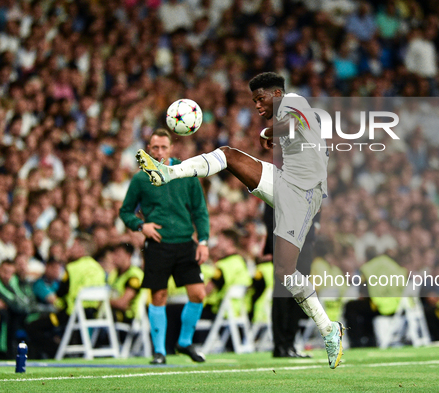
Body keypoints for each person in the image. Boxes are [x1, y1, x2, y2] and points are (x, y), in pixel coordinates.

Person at [136, 72, 344, 369]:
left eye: (261, 99)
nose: (257, 106)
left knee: (286, 273)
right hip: (284, 181)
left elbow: (290, 124)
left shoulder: (294, 101)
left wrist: (268, 133)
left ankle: (328, 329)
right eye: (253, 101)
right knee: (228, 154)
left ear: (276, 94)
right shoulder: (284, 113)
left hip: (304, 195)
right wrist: (269, 134)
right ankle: (169, 172)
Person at [120, 128, 210, 365]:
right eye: (155, 147)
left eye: (163, 147)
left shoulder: (186, 173)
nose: (159, 151)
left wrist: (203, 241)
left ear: (171, 149)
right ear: (148, 149)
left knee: (199, 294)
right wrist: (142, 226)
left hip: (185, 243)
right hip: (158, 245)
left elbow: (200, 210)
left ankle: (184, 341)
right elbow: (125, 211)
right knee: (158, 296)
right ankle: (159, 351)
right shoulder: (141, 178)